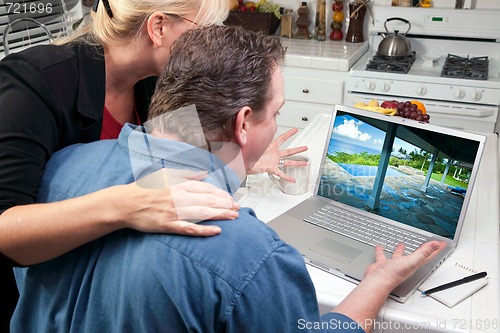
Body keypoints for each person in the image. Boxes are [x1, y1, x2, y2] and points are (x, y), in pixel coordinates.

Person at [11, 25, 446, 333]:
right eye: (275, 113)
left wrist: (240, 162)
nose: (276, 123)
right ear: (242, 123)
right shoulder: (249, 255)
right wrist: (379, 280)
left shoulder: (61, 168)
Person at [0, 0, 305, 328]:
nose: (210, 43)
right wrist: (127, 204)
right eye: (203, 30)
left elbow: (191, 149)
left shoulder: (156, 82)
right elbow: (6, 230)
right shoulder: (35, 84)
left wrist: (244, 155)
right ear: (158, 27)